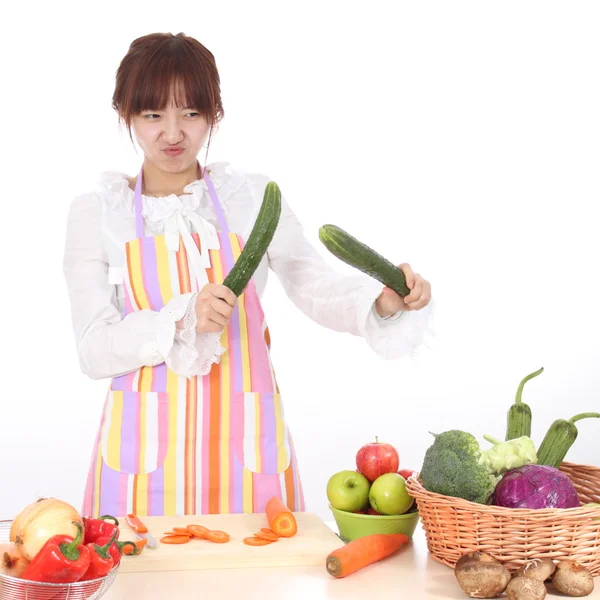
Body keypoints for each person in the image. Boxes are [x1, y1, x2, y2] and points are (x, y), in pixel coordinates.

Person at [62, 32, 433, 519]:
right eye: (153, 115)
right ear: (125, 115)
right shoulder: (97, 214)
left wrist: (380, 301)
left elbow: (312, 283)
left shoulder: (252, 199)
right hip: (141, 463)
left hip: (245, 453)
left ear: (213, 114)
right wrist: (179, 319)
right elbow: (93, 349)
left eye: (190, 114)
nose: (172, 134)